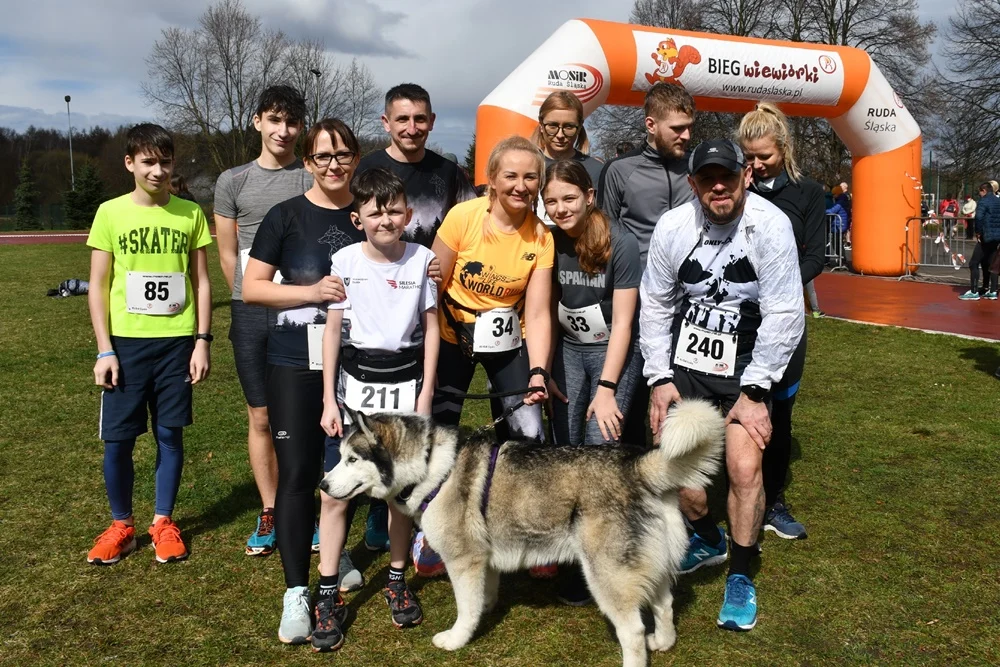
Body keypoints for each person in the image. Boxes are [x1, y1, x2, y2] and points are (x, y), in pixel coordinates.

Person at [640, 139, 804, 631]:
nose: (718, 186)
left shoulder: (770, 226)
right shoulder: (674, 226)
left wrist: (756, 393)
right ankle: (708, 538)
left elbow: (786, 312)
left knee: (744, 468)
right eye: (707, 178)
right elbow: (656, 304)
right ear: (692, 183)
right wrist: (659, 378)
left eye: (727, 176)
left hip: (748, 366)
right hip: (688, 367)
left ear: (745, 176)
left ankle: (740, 572)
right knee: (683, 483)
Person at [242, 118, 366, 646]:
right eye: (322, 156)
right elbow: (252, 289)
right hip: (294, 362)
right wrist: (311, 292)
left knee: (348, 470)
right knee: (296, 475)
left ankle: (335, 565)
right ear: (308, 162)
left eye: (342, 155)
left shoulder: (370, 211)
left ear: (355, 159)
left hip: (359, 364)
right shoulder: (284, 215)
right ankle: (296, 590)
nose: (333, 165)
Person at [318, 167, 440, 645]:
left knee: (398, 494)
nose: (386, 219)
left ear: (407, 214)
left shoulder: (422, 258)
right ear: (358, 218)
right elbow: (332, 330)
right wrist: (328, 396)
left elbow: (431, 329)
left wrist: (426, 392)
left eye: (394, 210)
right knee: (333, 493)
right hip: (355, 389)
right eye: (375, 212)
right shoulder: (344, 259)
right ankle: (327, 591)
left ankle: (394, 578)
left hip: (405, 388)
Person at [355, 83, 476, 551]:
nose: (412, 127)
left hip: (434, 313)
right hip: (374, 316)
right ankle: (373, 507)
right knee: (371, 419)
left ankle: (419, 509)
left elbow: (473, 227)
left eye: (420, 119)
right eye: (402, 119)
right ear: (386, 122)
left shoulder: (449, 174)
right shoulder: (366, 168)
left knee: (422, 416)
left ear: (432, 120)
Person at [85, 123, 212, 566]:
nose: (157, 170)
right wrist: (105, 349)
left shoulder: (189, 214)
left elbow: (201, 281)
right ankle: (122, 525)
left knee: (168, 434)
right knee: (118, 441)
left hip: (176, 344)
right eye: (148, 162)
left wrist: (201, 341)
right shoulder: (110, 213)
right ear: (130, 164)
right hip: (126, 345)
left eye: (165, 161)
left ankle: (163, 522)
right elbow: (98, 286)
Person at [213, 85, 326, 563]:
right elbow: (226, 254)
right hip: (253, 312)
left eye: (292, 123)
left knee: (313, 411)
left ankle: (314, 506)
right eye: (274, 120)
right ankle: (269, 509)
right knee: (260, 414)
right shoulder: (232, 181)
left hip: (307, 312)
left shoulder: (310, 176)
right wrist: (253, 295)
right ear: (257, 121)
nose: (283, 131)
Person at [542, 158, 641, 605]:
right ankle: (570, 553)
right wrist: (542, 367)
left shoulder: (621, 243)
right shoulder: (550, 240)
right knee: (565, 449)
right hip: (568, 351)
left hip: (610, 353)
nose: (560, 209)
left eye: (568, 198)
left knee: (599, 451)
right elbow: (544, 308)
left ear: (589, 196)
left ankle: (606, 555)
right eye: (551, 202)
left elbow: (623, 324)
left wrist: (606, 389)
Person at [738, 102, 825, 539]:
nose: (755, 164)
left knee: (780, 412)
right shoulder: (735, 190)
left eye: (764, 157)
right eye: (748, 156)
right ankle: (734, 494)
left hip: (783, 320)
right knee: (735, 407)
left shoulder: (807, 192)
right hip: (737, 322)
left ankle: (772, 500)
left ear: (783, 148)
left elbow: (815, 257)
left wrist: (778, 286)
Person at [431, 135, 553, 441]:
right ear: (493, 179)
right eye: (510, 176)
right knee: (439, 431)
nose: (520, 186)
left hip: (508, 341)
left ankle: (513, 486)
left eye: (530, 177)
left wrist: (538, 371)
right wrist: (427, 350)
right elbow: (431, 289)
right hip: (453, 336)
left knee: (528, 431)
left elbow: (538, 314)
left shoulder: (541, 237)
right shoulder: (462, 217)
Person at [597, 82, 696, 447]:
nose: (686, 136)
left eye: (689, 127)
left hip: (687, 299)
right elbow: (603, 236)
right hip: (633, 299)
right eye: (677, 129)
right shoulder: (621, 170)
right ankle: (628, 468)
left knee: (678, 390)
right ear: (651, 125)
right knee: (632, 390)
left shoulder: (697, 167)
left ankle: (672, 469)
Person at [530, 91, 605, 205]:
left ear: (579, 127)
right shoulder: (526, 166)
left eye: (568, 127)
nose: (560, 135)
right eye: (553, 126)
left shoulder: (596, 170)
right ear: (541, 125)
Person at [961, 182, 1000, 300]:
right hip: (996, 236)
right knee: (991, 263)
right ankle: (992, 291)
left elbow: (978, 217)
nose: (979, 194)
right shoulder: (998, 200)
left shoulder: (983, 201)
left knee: (973, 263)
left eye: (979, 191)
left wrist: (977, 232)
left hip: (986, 235)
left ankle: (974, 291)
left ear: (984, 190)